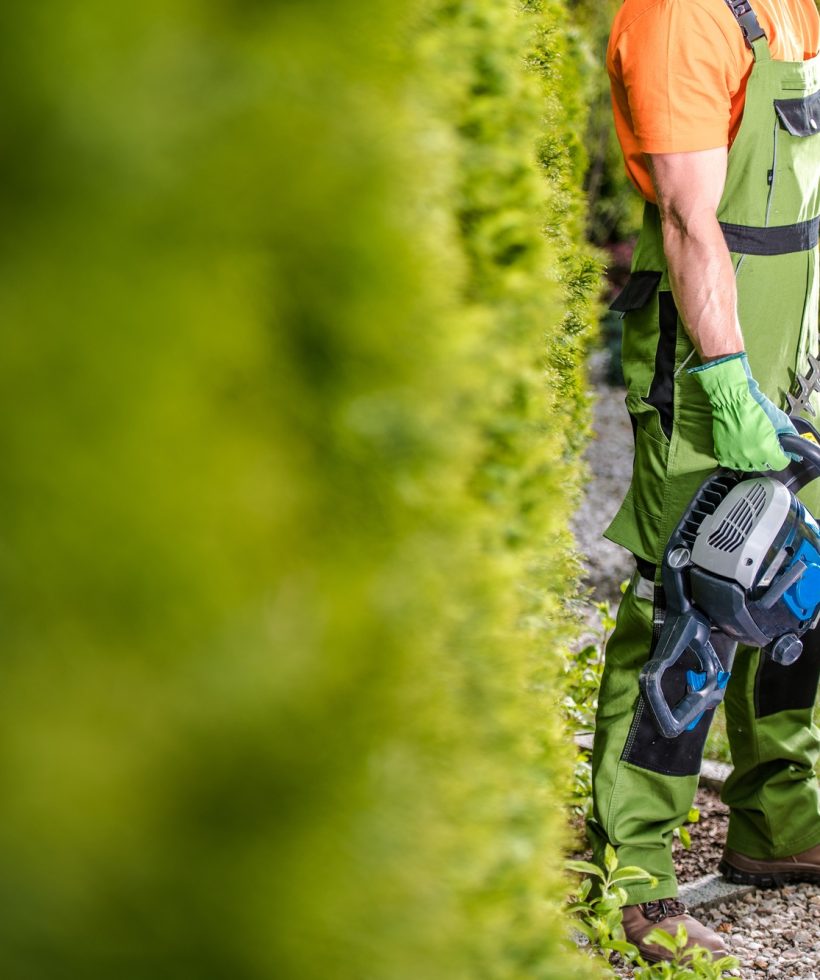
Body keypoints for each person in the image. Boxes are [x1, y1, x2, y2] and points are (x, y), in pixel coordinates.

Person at [591, 0, 820, 963]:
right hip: (707, 364)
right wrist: (727, 380)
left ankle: (781, 824)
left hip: (795, 348)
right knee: (693, 602)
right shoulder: (685, 15)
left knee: (797, 594)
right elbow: (690, 215)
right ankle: (635, 877)